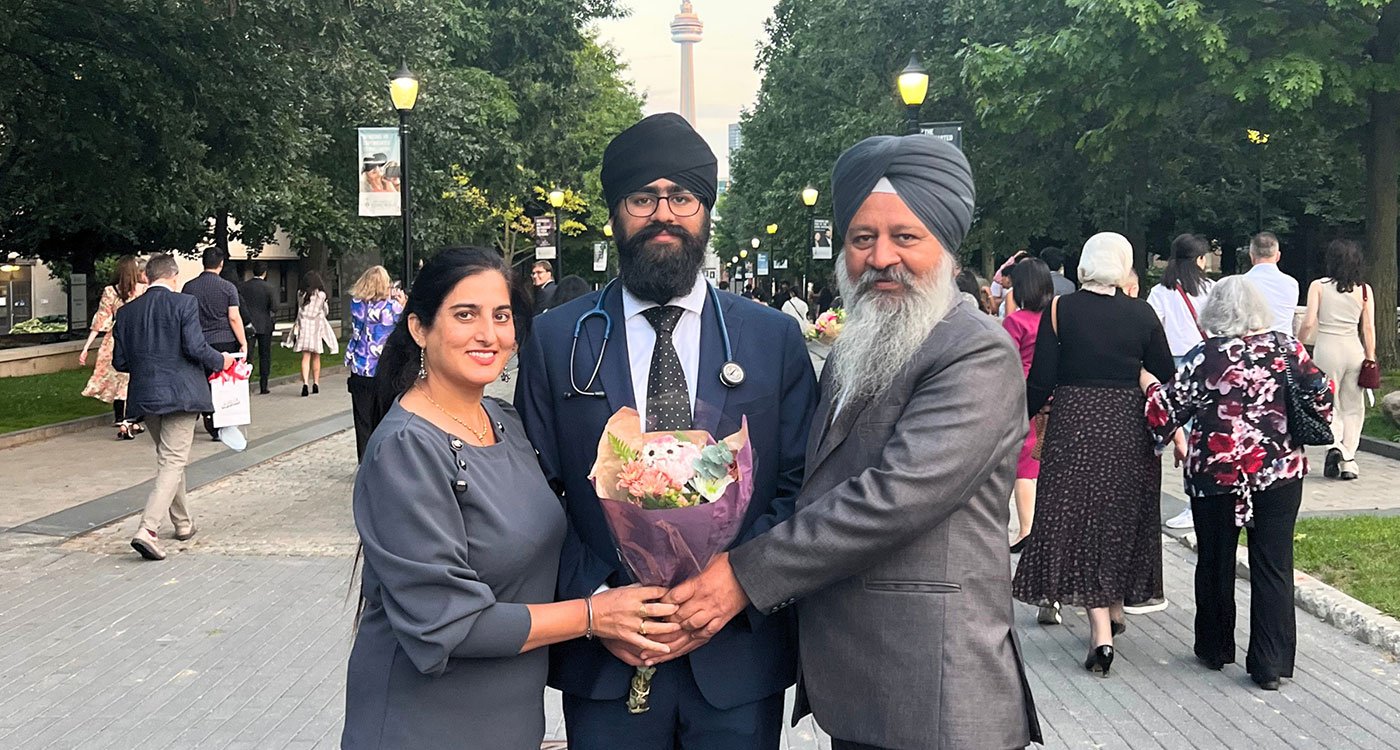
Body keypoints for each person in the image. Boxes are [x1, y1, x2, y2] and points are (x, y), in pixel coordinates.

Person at [667, 134, 1041, 750]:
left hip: (934, 689)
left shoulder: (974, 350)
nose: (881, 256)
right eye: (862, 238)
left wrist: (742, 572)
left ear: (946, 248)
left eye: (906, 237)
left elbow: (892, 498)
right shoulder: (857, 349)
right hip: (864, 686)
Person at [514, 112, 818, 750]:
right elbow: (534, 492)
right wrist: (596, 601)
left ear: (706, 210)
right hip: (606, 657)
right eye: (641, 197)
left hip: (736, 657)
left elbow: (802, 483)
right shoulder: (558, 338)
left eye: (682, 197)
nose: (663, 214)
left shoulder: (771, 340)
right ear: (615, 212)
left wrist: (740, 579)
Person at [342, 248, 678, 750]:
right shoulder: (406, 447)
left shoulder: (504, 421)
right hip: (424, 723)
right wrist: (594, 616)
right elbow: (446, 622)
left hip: (508, 719)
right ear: (418, 328)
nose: (488, 334)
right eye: (464, 314)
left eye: (501, 316)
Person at [1140, 276, 1333, 691]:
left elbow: (1165, 410)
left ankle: (1214, 647)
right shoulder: (1286, 348)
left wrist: (1146, 382)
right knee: (1274, 563)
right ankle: (1270, 662)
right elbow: (1322, 394)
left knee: (1214, 559)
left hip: (1216, 473)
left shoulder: (1204, 356)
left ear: (1215, 313)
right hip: (1278, 473)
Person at [1014, 231, 1175, 670]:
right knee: (1122, 515)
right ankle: (1115, 609)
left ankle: (1101, 634)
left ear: (1085, 264)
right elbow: (1166, 370)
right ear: (1123, 266)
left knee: (1079, 519)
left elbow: (1042, 377)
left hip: (1075, 423)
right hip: (1128, 424)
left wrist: (1017, 420)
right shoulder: (1142, 313)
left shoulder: (1060, 309)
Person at [112, 254, 236, 561]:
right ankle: (147, 529)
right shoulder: (184, 304)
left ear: (147, 277)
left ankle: (182, 523)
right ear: (174, 276)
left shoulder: (127, 313)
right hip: (181, 394)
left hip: (146, 396)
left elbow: (120, 361)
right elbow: (195, 347)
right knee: (172, 461)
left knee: (170, 460)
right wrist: (222, 360)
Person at [1147, 233, 1214, 529]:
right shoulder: (1212, 290)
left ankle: (1186, 501)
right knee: (1203, 433)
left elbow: (1153, 330)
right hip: (1206, 363)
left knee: (1176, 432)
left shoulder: (1160, 292)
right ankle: (1199, 501)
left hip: (1172, 365)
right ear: (1200, 259)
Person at [1297, 239, 1377, 481]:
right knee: (1354, 406)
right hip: (1353, 348)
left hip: (1327, 348)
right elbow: (1369, 328)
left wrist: (1298, 344)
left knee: (1328, 403)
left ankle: (1335, 445)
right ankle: (1348, 460)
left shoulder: (1318, 286)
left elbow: (1309, 321)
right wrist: (1370, 358)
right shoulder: (1364, 290)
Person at [1004, 258, 1053, 552]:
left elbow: (1006, 360)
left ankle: (1026, 529)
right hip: (1054, 393)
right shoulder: (1055, 318)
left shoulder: (1016, 321)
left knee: (1025, 465)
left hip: (1023, 394)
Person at [79, 255, 148, 440]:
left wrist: (86, 347)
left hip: (114, 338)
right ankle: (130, 419)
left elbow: (101, 320)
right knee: (131, 378)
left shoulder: (110, 291)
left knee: (118, 378)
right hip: (136, 337)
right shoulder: (143, 290)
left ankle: (120, 417)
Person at [182, 247, 247, 438]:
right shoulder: (228, 288)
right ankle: (220, 421)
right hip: (224, 341)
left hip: (198, 341)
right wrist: (242, 342)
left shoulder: (189, 287)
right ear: (221, 264)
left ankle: (206, 415)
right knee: (221, 384)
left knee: (202, 381)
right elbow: (234, 317)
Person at [345, 265, 405, 461]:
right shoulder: (393, 308)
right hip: (384, 369)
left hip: (360, 367)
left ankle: (364, 460)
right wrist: (402, 302)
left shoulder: (356, 305)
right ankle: (382, 460)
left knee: (362, 420)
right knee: (384, 418)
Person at [1243, 231, 1300, 335]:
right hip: (1283, 345)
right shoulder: (1291, 284)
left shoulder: (1240, 283)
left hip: (1250, 346)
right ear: (1278, 256)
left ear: (1251, 256)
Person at [291, 271, 338, 397]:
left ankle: (305, 383)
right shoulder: (321, 295)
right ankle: (316, 383)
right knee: (316, 356)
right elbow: (325, 311)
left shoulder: (301, 294)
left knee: (305, 357)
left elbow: (300, 307)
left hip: (304, 326)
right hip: (316, 327)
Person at [239, 261, 277, 395]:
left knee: (248, 355)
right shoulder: (269, 288)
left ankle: (245, 383)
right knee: (265, 355)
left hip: (248, 325)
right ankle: (264, 385)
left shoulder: (243, 287)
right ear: (265, 273)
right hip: (265, 325)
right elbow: (274, 307)